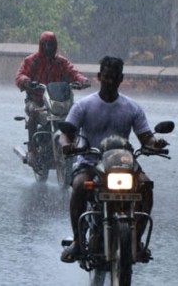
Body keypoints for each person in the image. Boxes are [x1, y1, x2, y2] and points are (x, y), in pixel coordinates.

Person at [59, 55, 167, 263]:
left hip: (124, 165)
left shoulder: (132, 108)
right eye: (106, 76)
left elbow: (146, 138)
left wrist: (155, 144)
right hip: (90, 163)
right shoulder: (83, 106)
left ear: (121, 79)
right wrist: (67, 145)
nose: (109, 81)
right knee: (80, 186)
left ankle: (136, 242)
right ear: (99, 76)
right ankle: (78, 242)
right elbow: (67, 133)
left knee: (146, 187)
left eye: (114, 77)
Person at [15, 31, 90, 166]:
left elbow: (73, 72)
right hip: (37, 101)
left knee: (79, 114)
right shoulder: (31, 61)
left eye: (51, 45)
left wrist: (82, 80)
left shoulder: (61, 62)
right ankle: (32, 150)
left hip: (59, 102)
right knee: (33, 113)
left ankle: (78, 145)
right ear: (41, 45)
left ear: (55, 45)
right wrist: (27, 82)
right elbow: (20, 75)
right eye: (46, 45)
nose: (48, 48)